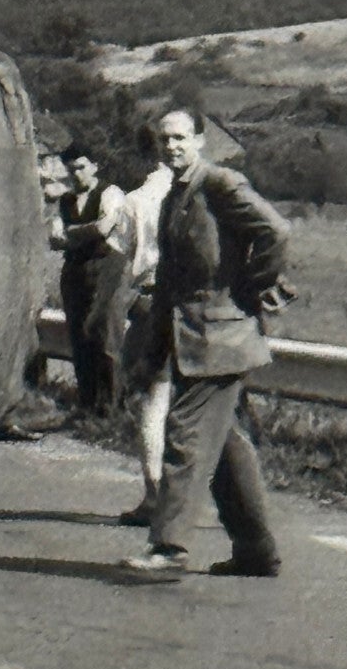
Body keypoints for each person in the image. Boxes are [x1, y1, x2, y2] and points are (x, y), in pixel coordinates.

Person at [122, 108, 291, 578]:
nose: (171, 146)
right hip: (195, 336)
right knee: (226, 445)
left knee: (186, 431)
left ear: (199, 140)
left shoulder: (220, 184)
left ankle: (168, 547)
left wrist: (251, 287)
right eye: (163, 139)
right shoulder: (174, 196)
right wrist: (152, 352)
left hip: (222, 334)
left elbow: (276, 231)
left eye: (179, 138)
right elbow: (172, 284)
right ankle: (256, 552)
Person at [116, 130, 174, 525]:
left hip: (153, 302)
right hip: (195, 305)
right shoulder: (197, 196)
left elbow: (123, 254)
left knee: (152, 403)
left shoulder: (136, 201)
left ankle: (155, 496)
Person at [53, 143, 131, 415]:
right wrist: (82, 232)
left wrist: (71, 233)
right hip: (75, 270)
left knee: (106, 335)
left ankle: (112, 408)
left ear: (95, 166)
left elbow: (104, 227)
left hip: (106, 268)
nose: (76, 174)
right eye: (71, 169)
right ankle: (87, 405)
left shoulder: (110, 193)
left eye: (82, 168)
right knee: (79, 335)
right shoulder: (66, 200)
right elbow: (53, 238)